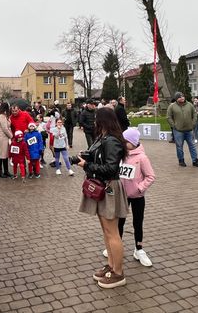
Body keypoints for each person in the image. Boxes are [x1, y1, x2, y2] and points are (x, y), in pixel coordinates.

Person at [77, 107, 129, 288]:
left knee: (112, 232)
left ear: (103, 120)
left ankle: (118, 273)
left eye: (96, 118)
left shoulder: (112, 140)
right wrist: (87, 157)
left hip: (109, 187)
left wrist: (87, 165)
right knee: (106, 231)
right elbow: (100, 158)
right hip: (102, 186)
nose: (94, 121)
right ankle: (111, 266)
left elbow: (111, 168)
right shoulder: (103, 137)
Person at [103, 129, 155, 267]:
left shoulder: (142, 158)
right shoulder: (120, 155)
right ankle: (116, 246)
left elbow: (150, 176)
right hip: (122, 196)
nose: (123, 143)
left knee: (138, 223)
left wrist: (139, 188)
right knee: (119, 222)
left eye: (126, 141)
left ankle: (139, 249)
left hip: (137, 197)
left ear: (133, 142)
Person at [166, 92, 198, 168]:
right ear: (176, 98)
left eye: (183, 96)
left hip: (189, 130)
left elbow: (194, 115)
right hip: (178, 131)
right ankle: (181, 160)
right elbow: (168, 117)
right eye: (180, 97)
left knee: (192, 145)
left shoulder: (190, 105)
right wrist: (174, 126)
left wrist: (193, 124)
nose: (182, 98)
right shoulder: (172, 106)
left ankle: (195, 160)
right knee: (179, 146)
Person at [0, 103, 13, 178]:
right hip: (1, 137)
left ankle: (6, 171)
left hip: (4, 137)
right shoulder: (2, 116)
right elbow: (5, 128)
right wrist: (11, 136)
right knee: (0, 155)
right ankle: (0, 172)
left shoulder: (4, 115)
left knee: (5, 155)